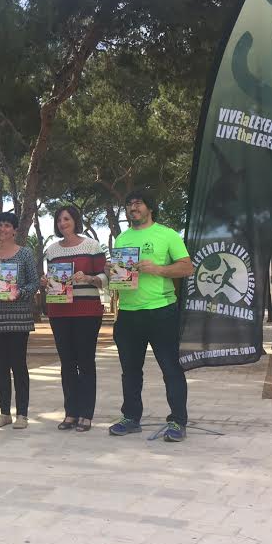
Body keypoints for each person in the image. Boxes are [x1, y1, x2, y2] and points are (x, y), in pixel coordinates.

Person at [108, 189, 194, 442]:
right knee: (130, 371)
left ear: (150, 208)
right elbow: (119, 276)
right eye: (128, 204)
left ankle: (178, 421)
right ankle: (131, 418)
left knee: (171, 369)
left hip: (162, 312)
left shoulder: (167, 235)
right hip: (128, 314)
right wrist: (112, 271)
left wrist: (158, 269)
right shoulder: (122, 239)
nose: (133, 208)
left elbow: (187, 267)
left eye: (138, 203)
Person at [42, 205, 107, 432]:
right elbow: (53, 278)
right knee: (67, 364)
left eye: (67, 219)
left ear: (75, 220)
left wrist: (88, 278)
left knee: (85, 362)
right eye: (59, 220)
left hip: (86, 311)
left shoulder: (91, 245)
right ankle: (71, 412)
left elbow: (105, 277)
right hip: (59, 312)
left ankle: (86, 414)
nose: (63, 223)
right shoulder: (51, 250)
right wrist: (46, 281)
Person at [0, 212, 38, 429]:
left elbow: (34, 284)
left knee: (19, 365)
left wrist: (18, 292)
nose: (3, 229)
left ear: (14, 230)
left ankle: (22, 414)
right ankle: (4, 413)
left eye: (7, 225)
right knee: (1, 367)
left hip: (19, 318)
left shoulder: (25, 255)